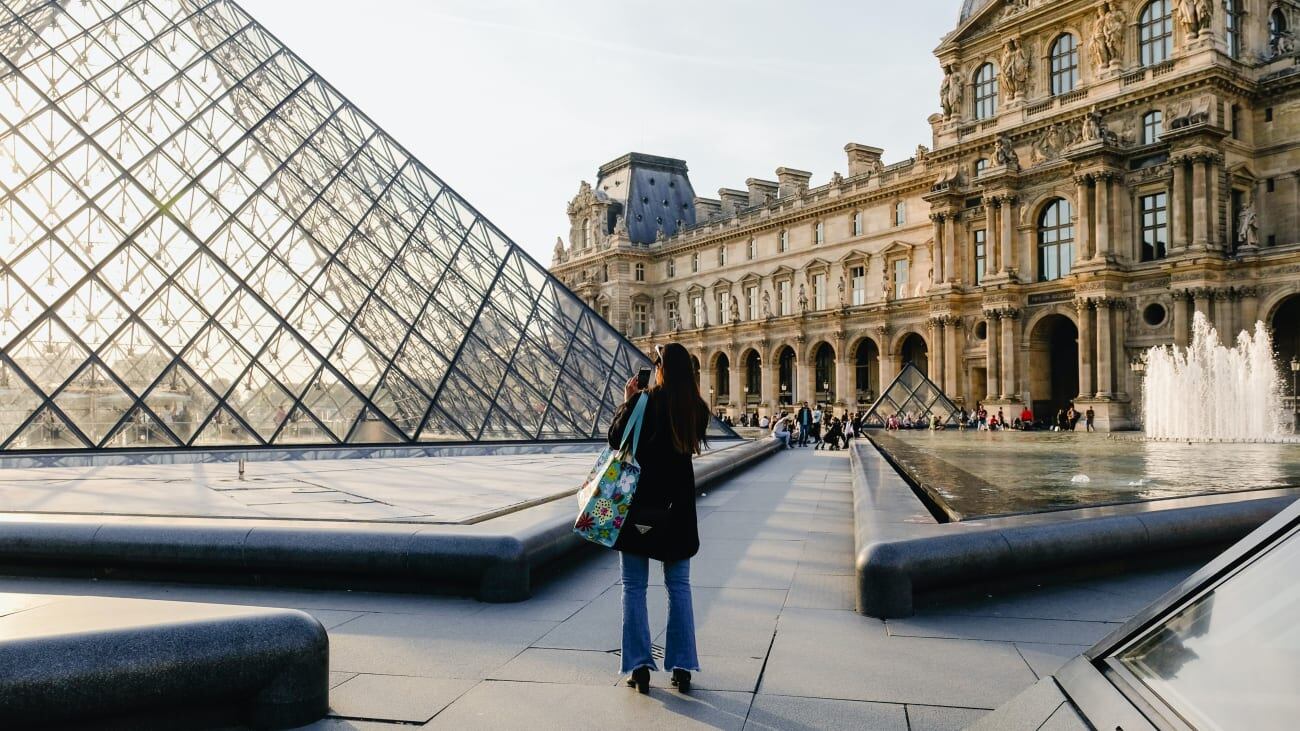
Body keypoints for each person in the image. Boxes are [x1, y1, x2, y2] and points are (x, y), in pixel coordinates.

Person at [607, 342, 708, 695]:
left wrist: (628, 400)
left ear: (661, 369)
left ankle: (639, 667)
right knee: (679, 587)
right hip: (677, 511)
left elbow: (616, 441)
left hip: (640, 507)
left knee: (633, 587)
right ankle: (682, 666)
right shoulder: (697, 408)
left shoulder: (644, 401)